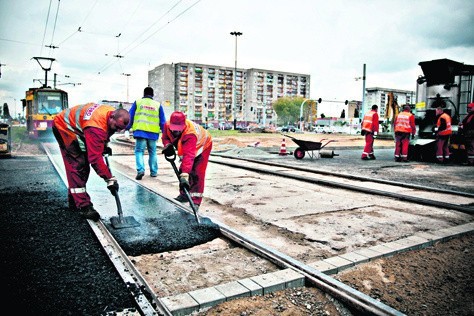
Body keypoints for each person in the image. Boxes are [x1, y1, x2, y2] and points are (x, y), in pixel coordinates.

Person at [52, 103, 130, 221]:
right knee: (78, 165)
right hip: (64, 127)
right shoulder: (95, 126)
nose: (117, 130)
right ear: (112, 117)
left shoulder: (109, 115)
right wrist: (109, 179)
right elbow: (95, 159)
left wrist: (103, 145)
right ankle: (84, 207)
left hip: (78, 128)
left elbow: (105, 132)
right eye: (116, 127)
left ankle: (75, 200)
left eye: (120, 129)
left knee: (82, 166)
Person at [161, 111, 213, 209]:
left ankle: (195, 201)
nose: (176, 132)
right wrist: (167, 145)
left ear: (183, 125)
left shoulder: (190, 134)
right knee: (183, 171)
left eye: (178, 130)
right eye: (174, 130)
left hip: (203, 145)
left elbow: (189, 156)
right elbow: (165, 137)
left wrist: (185, 175)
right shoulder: (166, 125)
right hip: (190, 147)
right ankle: (184, 195)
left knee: (197, 173)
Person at [126, 87, 166, 180]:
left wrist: (127, 128)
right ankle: (154, 172)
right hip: (153, 133)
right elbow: (163, 121)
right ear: (152, 95)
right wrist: (165, 133)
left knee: (139, 151)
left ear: (144, 94)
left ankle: (140, 170)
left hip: (140, 132)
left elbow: (130, 117)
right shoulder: (158, 105)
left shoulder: (138, 102)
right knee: (153, 152)